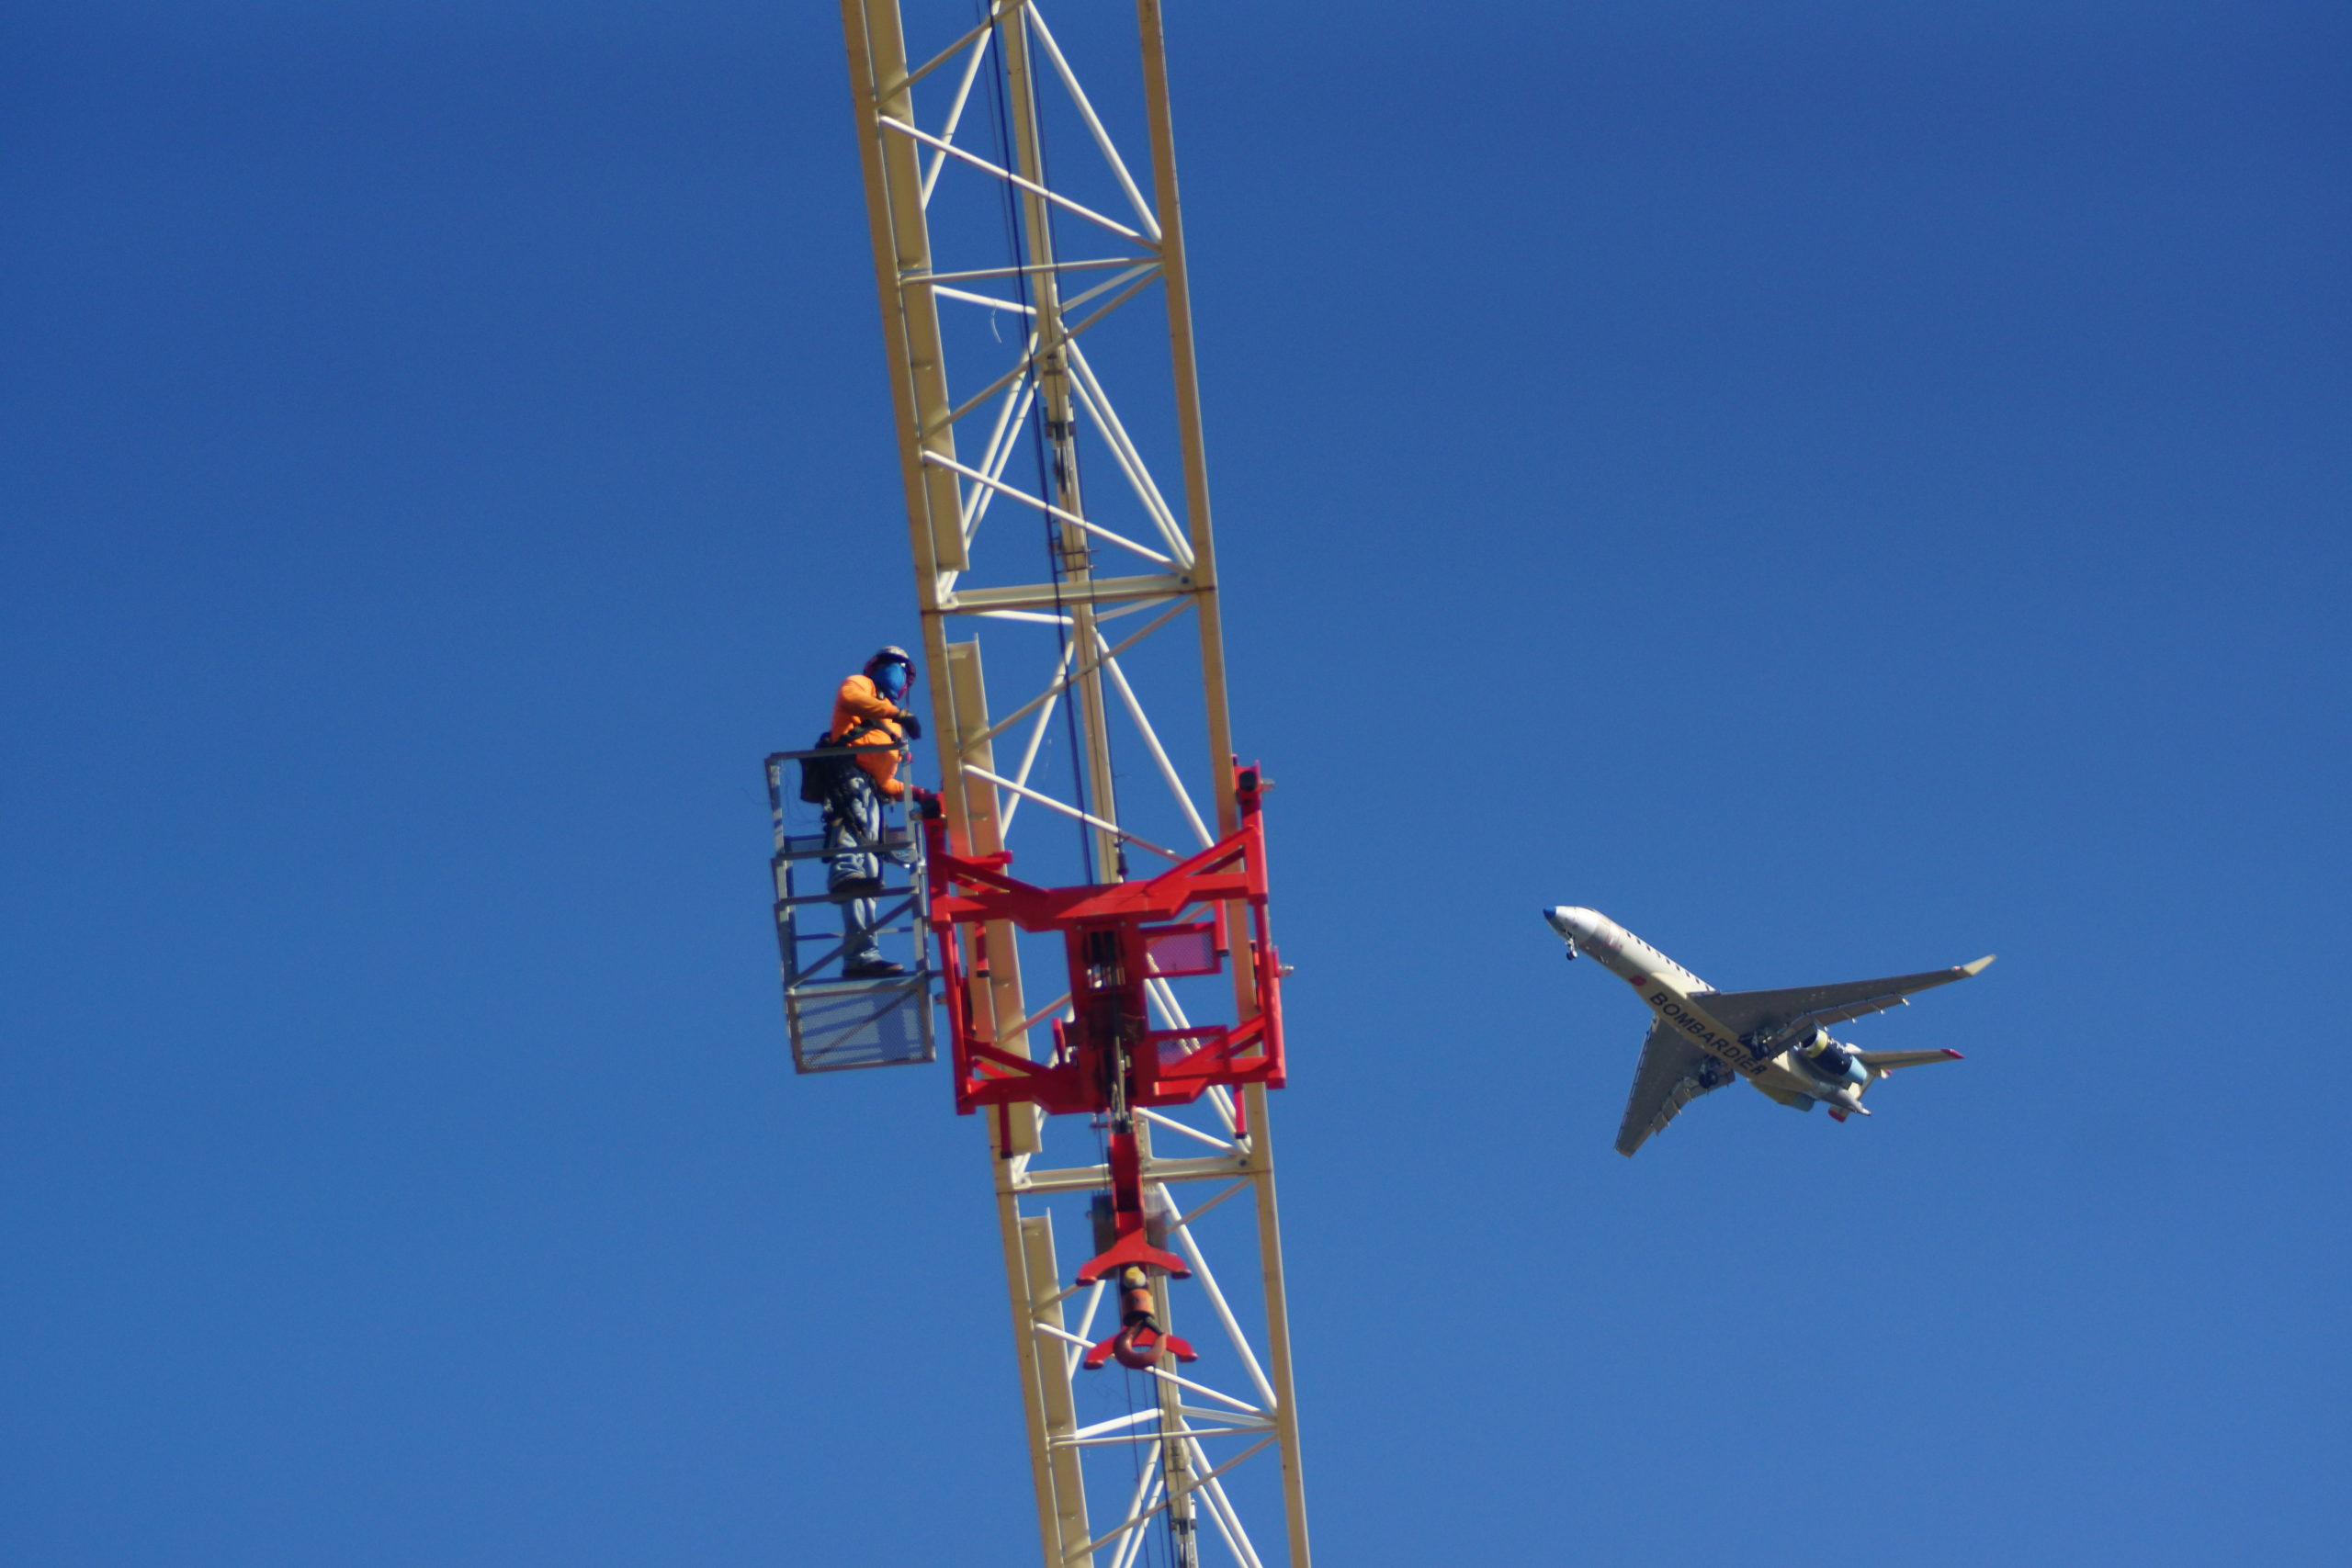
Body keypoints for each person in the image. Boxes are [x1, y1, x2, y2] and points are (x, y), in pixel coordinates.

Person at [823, 646, 923, 979]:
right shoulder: (862, 687)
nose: (897, 672)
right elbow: (850, 699)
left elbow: (887, 780)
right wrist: (897, 715)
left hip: (873, 792)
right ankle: (842, 873)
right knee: (850, 843)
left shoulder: (889, 722)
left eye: (903, 669)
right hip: (848, 773)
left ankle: (862, 955)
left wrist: (920, 794)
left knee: (868, 874)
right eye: (893, 665)